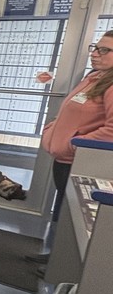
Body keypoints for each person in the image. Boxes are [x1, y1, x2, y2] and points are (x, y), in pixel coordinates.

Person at [41, 31, 113, 220]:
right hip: (66, 159)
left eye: (104, 50)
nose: (95, 53)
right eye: (95, 48)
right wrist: (51, 130)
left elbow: (112, 130)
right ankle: (53, 249)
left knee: (73, 217)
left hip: (81, 161)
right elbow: (69, 111)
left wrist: (75, 144)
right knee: (64, 211)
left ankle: (58, 250)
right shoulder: (95, 77)